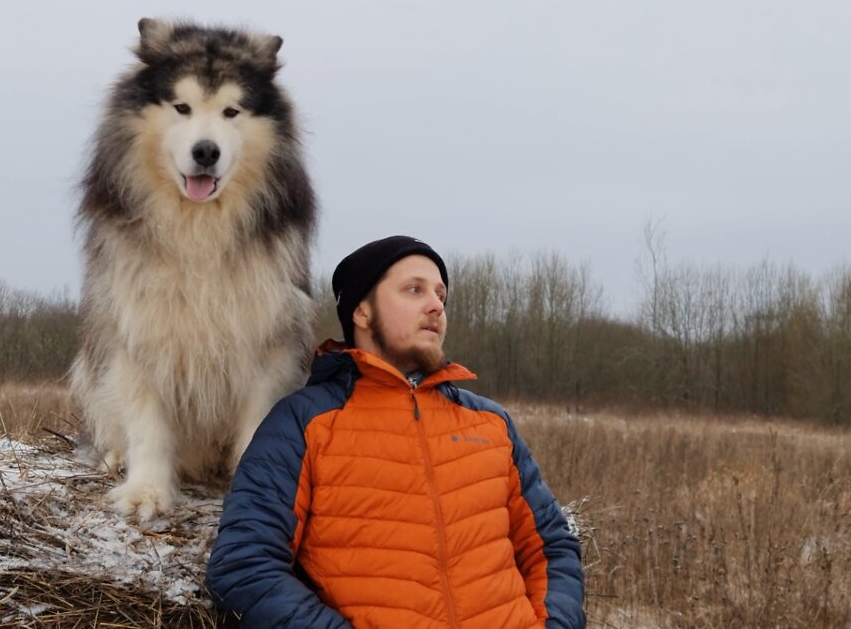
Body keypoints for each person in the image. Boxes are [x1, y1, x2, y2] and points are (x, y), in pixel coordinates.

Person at [206, 236, 585, 628]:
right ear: (362, 312)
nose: (436, 305)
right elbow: (244, 564)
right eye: (414, 289)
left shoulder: (490, 422)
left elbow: (552, 547)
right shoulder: (302, 423)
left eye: (441, 294)